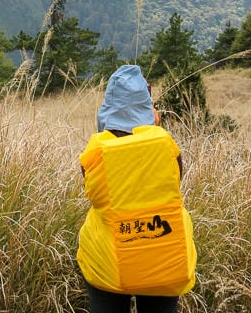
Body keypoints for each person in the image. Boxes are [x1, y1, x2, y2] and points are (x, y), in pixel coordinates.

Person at [77, 64, 197, 312]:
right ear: (148, 109)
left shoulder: (96, 152)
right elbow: (173, 183)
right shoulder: (166, 146)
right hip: (164, 256)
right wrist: (152, 125)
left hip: (108, 262)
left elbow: (94, 194)